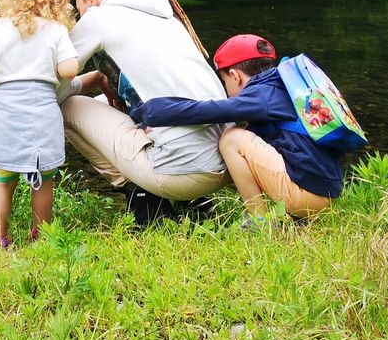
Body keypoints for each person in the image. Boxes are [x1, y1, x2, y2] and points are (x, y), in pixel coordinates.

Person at [63, 0, 228, 223]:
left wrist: (87, 80)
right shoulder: (164, 16)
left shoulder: (100, 17)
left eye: (78, 6)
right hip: (220, 163)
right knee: (104, 104)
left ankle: (143, 200)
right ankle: (197, 204)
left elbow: (52, 88)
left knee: (67, 106)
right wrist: (104, 80)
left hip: (178, 173)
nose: (80, 15)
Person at [134, 34, 343, 224]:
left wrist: (144, 112)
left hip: (308, 197)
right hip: (328, 192)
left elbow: (203, 111)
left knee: (231, 138)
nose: (226, 89)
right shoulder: (283, 87)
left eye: (224, 81)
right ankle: (292, 217)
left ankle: (257, 222)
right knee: (246, 133)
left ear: (235, 76)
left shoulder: (261, 96)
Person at [0, 0, 80, 248]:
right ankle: (41, 237)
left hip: (5, 112)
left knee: (3, 182)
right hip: (42, 111)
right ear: (58, 0)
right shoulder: (55, 31)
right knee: (43, 181)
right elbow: (69, 70)